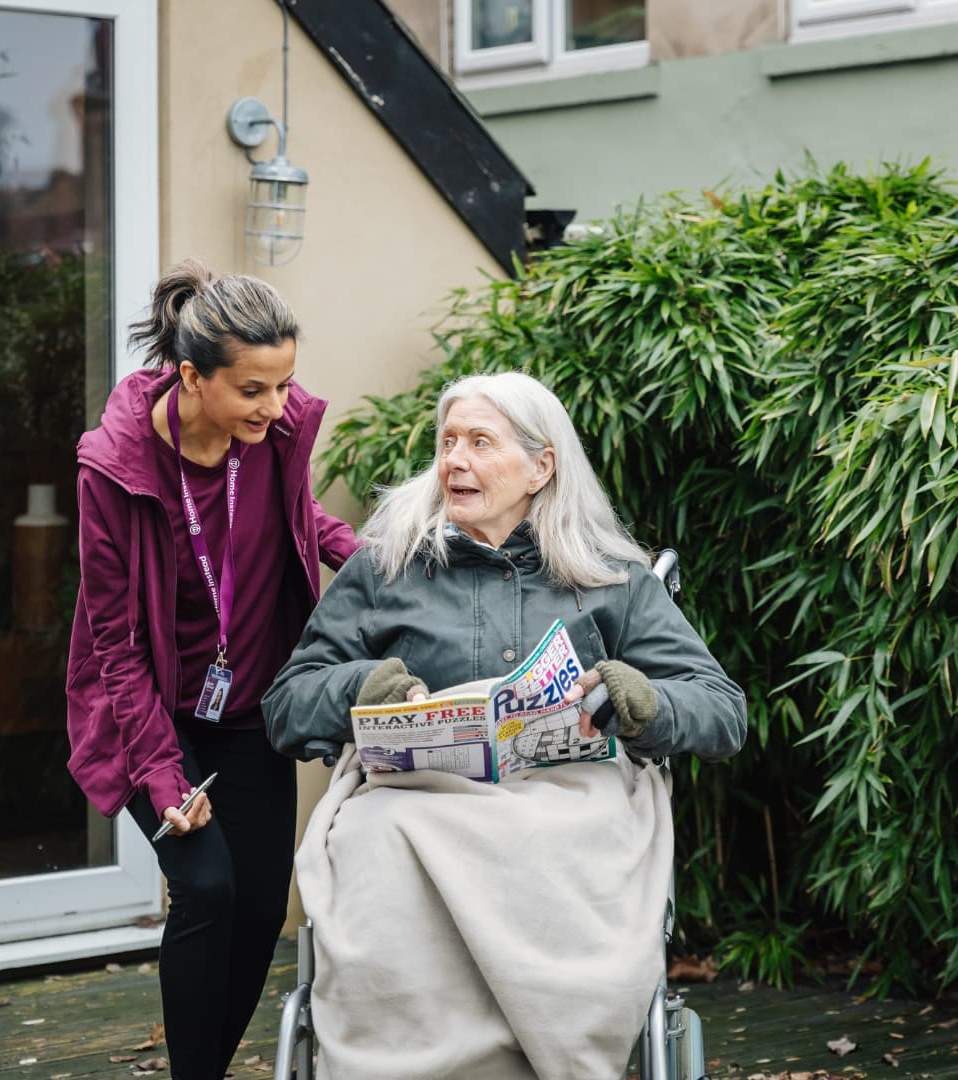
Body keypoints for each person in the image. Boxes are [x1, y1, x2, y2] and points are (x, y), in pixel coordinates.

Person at [261, 371, 746, 1078]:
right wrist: (362, 688)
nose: (454, 460)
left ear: (540, 466)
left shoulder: (611, 576)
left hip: (570, 806)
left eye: (480, 443)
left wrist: (642, 702)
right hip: (415, 806)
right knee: (376, 844)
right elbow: (287, 705)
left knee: (564, 844)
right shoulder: (385, 569)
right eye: (447, 442)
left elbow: (722, 708)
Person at [65, 258, 359, 1080]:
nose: (277, 407)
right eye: (254, 390)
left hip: (249, 707)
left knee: (265, 905)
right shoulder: (114, 469)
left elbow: (300, 521)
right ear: (191, 377)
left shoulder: (272, 435)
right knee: (209, 887)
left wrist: (376, 558)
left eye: (283, 384)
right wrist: (162, 778)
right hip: (149, 714)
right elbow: (113, 644)